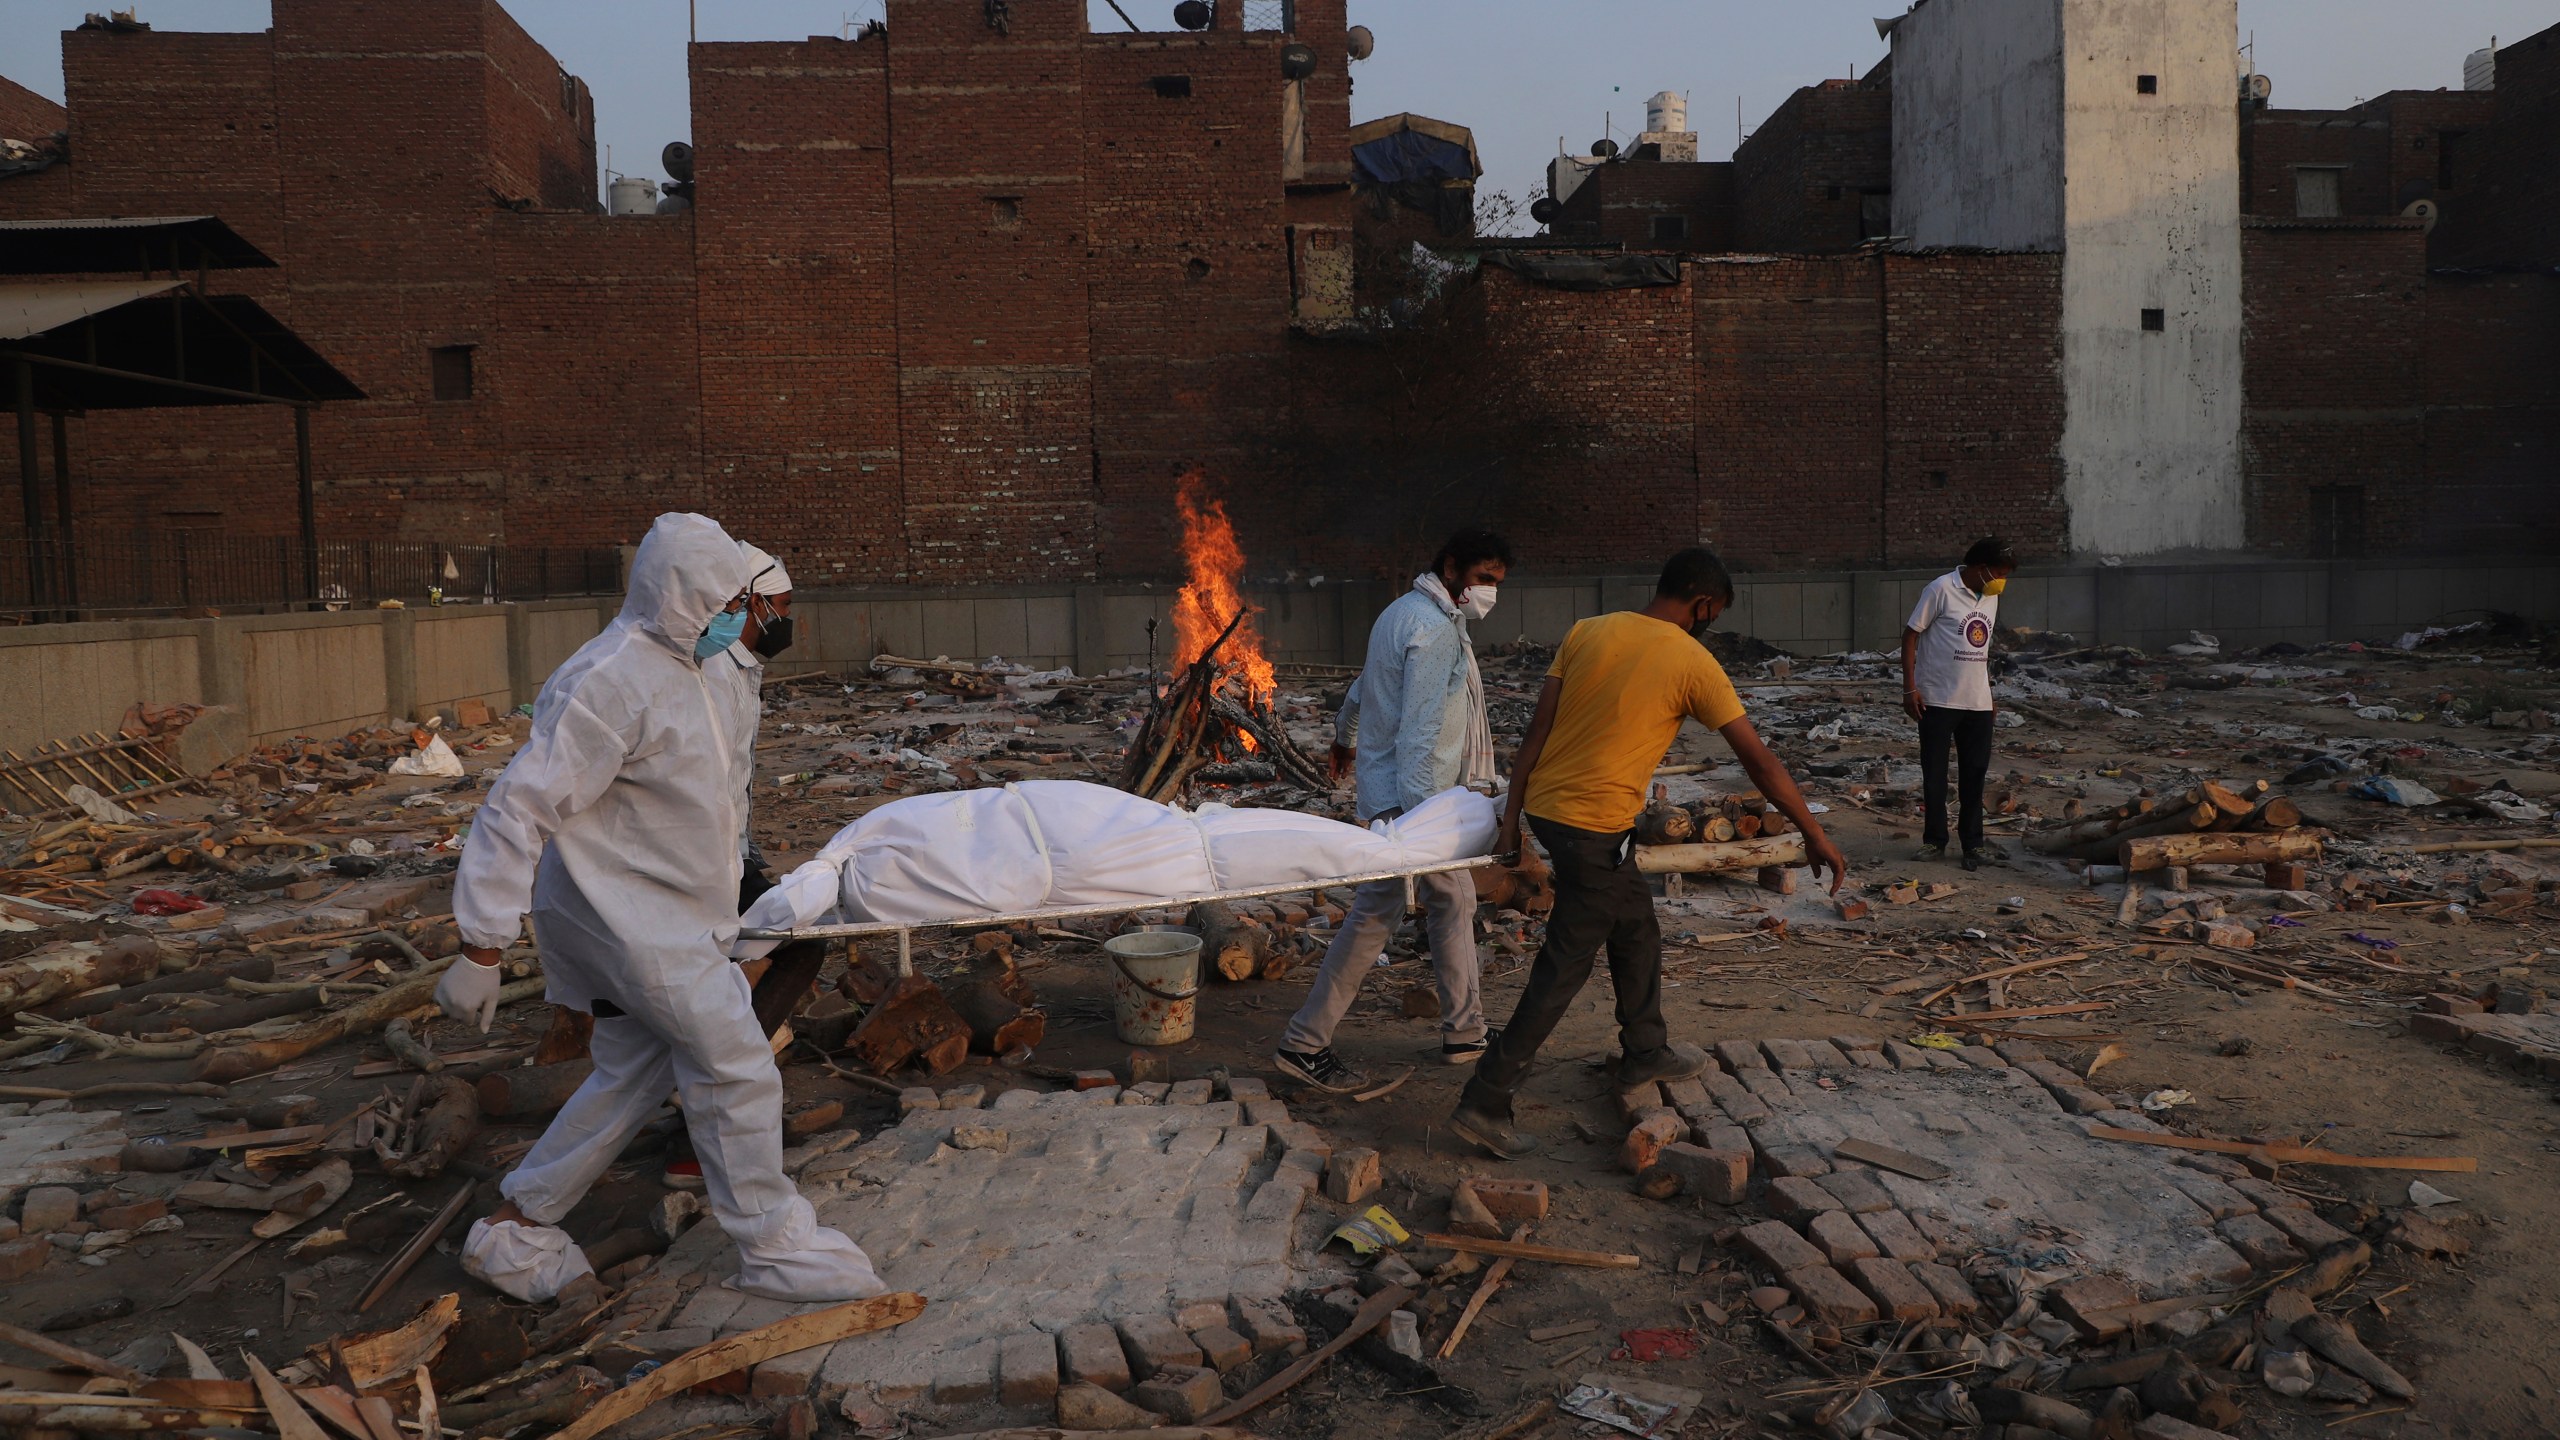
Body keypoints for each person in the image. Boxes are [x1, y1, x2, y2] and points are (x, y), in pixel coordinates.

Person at [437, 512, 883, 1304]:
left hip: (669, 910)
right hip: (627, 920)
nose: (735, 618)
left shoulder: (691, 667)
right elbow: (518, 807)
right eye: (724, 602)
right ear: (679, 596)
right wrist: (481, 943)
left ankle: (515, 1227)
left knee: (633, 1073)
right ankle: (770, 1243)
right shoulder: (609, 680)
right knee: (736, 1062)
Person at [1449, 547, 1849, 1160]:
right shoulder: (1694, 661)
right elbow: (1759, 762)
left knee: (1635, 924)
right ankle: (1485, 1099)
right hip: (1592, 827)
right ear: (1705, 605)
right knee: (1565, 965)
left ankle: (1645, 1048)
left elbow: (1536, 732)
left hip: (1552, 810)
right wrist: (1812, 832)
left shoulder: (1588, 631)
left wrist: (1511, 822)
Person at [1274, 528, 1513, 1093]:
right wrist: (1423, 825)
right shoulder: (1434, 631)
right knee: (1381, 913)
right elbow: (1421, 733)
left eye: (1497, 583)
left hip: (1394, 796)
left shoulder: (1401, 612)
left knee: (1448, 903)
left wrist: (1344, 735)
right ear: (1452, 568)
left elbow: (1364, 686)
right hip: (1415, 799)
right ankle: (1304, 1043)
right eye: (1484, 579)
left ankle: (1465, 1032)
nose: (1490, 593)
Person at [659, 544, 814, 1192]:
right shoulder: (714, 673)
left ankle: (729, 1108)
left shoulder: (740, 670)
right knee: (786, 953)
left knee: (793, 944)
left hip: (723, 854)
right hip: (694, 862)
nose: (786, 620)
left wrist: (751, 864)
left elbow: (738, 782)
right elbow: (703, 783)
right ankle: (714, 1124)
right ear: (750, 605)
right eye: (780, 608)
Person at [1902, 537, 2017, 871]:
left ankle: (1973, 844)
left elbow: (1980, 653)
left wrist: (1988, 696)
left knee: (1975, 775)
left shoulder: (1990, 598)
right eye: (1998, 572)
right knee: (1935, 774)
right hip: (1937, 698)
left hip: (1977, 702)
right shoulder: (1941, 589)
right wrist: (1910, 688)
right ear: (1980, 568)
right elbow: (1911, 635)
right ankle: (1934, 841)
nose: (2001, 580)